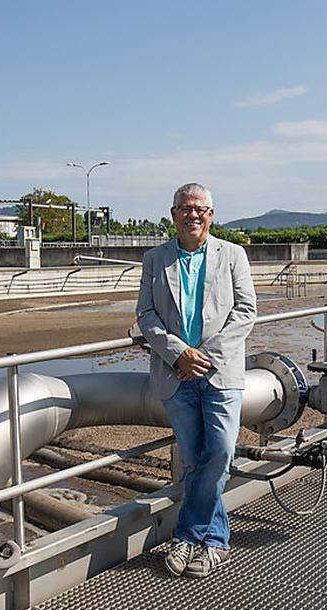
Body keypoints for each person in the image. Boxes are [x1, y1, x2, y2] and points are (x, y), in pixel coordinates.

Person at [136, 182, 256, 578]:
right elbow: (146, 316)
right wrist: (178, 354)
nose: (193, 215)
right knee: (192, 461)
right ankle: (213, 542)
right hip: (176, 374)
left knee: (220, 452)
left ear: (211, 214)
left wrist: (203, 357)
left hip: (221, 374)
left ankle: (188, 535)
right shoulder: (155, 259)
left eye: (200, 209)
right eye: (185, 209)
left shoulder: (233, 255)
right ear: (173, 214)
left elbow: (245, 311)